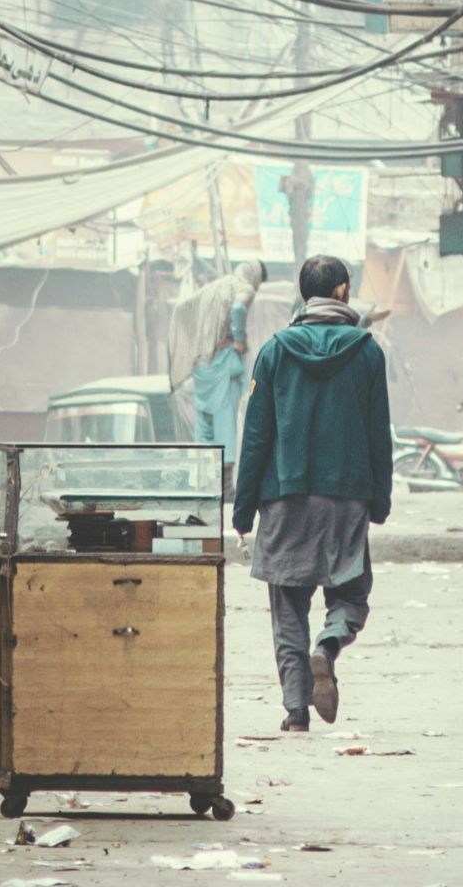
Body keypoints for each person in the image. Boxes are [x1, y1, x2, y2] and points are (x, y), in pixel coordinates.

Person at [234, 256, 392, 733]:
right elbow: (378, 432)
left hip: (285, 496)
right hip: (347, 496)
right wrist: (380, 500)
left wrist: (242, 511)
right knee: (351, 593)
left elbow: (256, 434)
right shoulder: (368, 351)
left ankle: (296, 709)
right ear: (343, 291)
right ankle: (329, 644)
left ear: (304, 295)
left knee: (288, 607)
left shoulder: (274, 351)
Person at [167, 261, 267, 470]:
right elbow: (239, 308)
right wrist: (239, 339)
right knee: (226, 423)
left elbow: (182, 309)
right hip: (223, 363)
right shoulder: (244, 288)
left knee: (204, 425)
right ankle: (226, 484)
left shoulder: (216, 287)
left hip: (202, 365)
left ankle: (203, 479)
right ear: (255, 277)